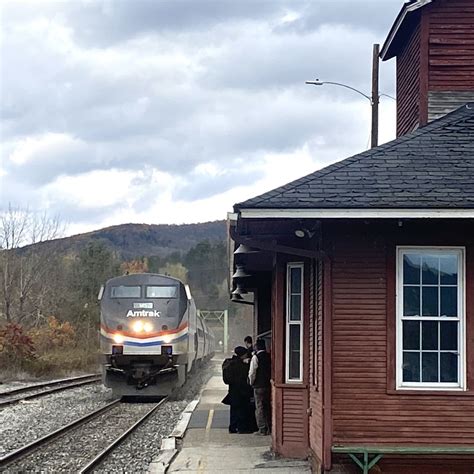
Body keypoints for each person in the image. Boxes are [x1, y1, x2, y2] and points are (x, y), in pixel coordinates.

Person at [222, 346, 257, 433]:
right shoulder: (242, 365)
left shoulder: (231, 363)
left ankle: (232, 428)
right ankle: (242, 428)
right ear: (242, 355)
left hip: (232, 390)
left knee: (234, 410)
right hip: (242, 391)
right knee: (242, 410)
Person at [248, 338, 271, 436]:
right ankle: (269, 427)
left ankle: (262, 429)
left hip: (258, 386)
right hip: (267, 385)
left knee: (259, 407)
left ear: (257, 347)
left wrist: (251, 382)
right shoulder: (269, 356)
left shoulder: (255, 357)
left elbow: (252, 372)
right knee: (267, 407)